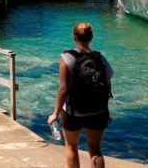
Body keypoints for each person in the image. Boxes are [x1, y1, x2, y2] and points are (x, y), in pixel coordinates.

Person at [48, 22, 113, 168]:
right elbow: (108, 82)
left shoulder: (66, 57)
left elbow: (64, 89)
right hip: (98, 111)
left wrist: (55, 113)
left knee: (71, 147)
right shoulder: (100, 59)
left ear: (74, 36)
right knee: (95, 149)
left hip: (73, 112)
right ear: (91, 37)